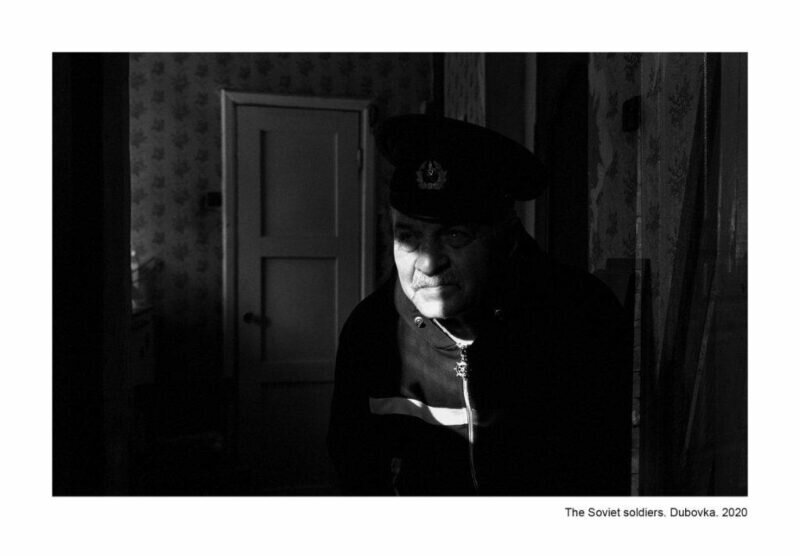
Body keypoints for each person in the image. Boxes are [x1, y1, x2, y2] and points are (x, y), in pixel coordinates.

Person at [327, 114, 631, 495]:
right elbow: (354, 476)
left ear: (506, 238)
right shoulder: (369, 333)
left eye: (455, 235)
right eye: (408, 236)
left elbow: (602, 478)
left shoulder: (583, 319)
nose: (427, 263)